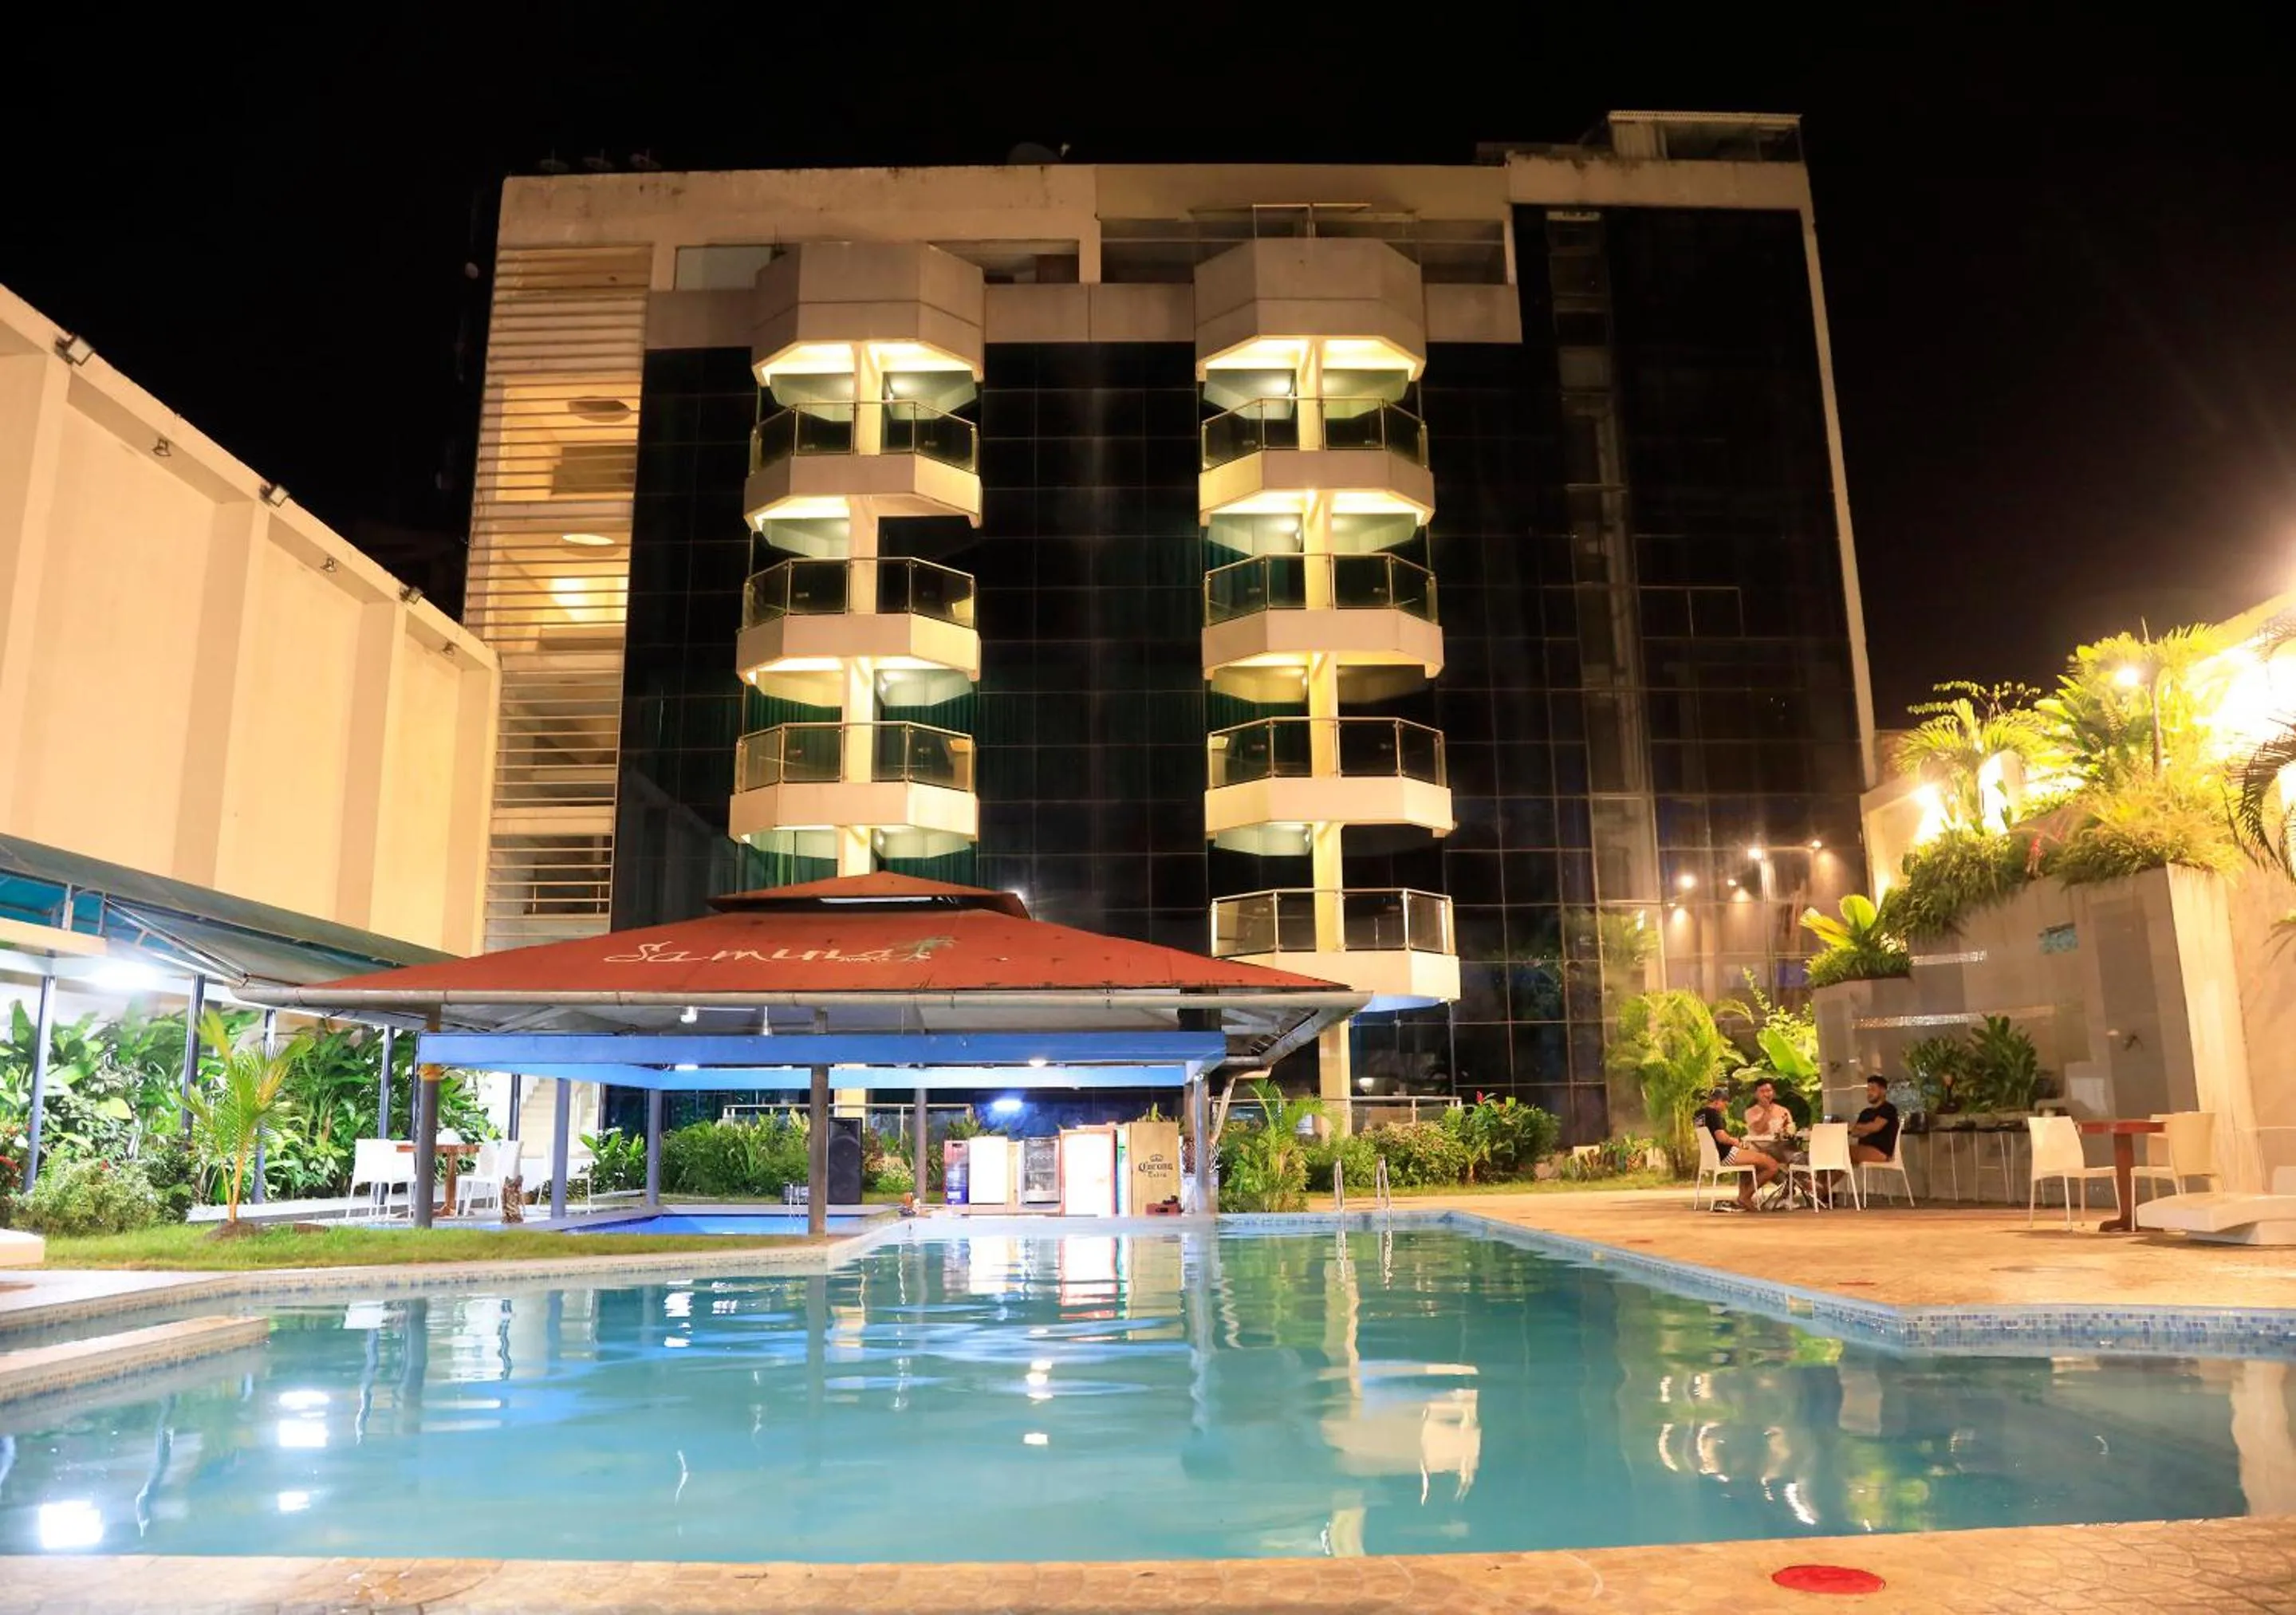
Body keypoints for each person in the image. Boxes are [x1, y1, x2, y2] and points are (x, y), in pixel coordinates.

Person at [1695, 1087, 1779, 1211]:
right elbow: (1721, 1137)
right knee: (1772, 1165)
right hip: (1726, 1154)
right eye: (1725, 1103)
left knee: (1752, 1161)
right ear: (1718, 1101)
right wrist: (1734, 1141)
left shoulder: (1699, 1115)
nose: (1725, 1107)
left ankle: (1743, 1196)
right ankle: (1745, 1196)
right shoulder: (1713, 1113)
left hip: (1714, 1156)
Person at [1828, 1075, 1901, 1204]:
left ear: (1883, 1091)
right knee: (1834, 1155)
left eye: (1873, 1089)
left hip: (1881, 1152)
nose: (1869, 1093)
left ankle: (1821, 1189)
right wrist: (1856, 1128)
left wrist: (1855, 1127)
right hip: (1863, 1150)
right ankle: (1821, 1188)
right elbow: (1857, 1133)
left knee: (1844, 1152)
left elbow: (1875, 1127)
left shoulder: (1888, 1109)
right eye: (1868, 1090)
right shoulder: (1865, 1112)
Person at [1743, 1079, 1795, 1144]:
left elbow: (1791, 1130)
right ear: (1756, 1094)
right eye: (1762, 1091)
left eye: (1768, 1091)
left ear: (1774, 1093)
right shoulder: (1750, 1112)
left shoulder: (1783, 1110)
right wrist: (1767, 1109)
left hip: (1781, 1146)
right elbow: (1758, 1130)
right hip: (1759, 1147)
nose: (1766, 1094)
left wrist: (1786, 1130)